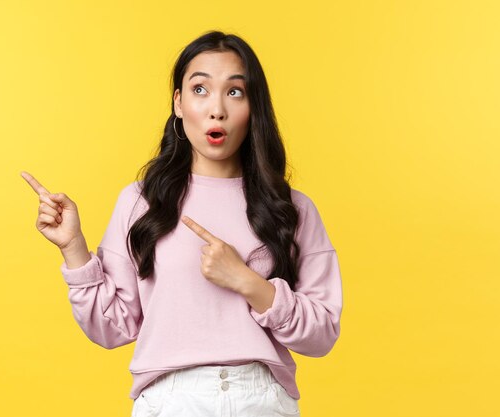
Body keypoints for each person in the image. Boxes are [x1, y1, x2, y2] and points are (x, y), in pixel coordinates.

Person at [21, 30, 343, 417]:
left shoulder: (292, 208)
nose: (217, 109)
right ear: (178, 102)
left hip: (262, 399)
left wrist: (248, 282)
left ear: (254, 106)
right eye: (200, 89)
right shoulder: (141, 202)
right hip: (172, 400)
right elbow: (112, 329)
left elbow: (322, 334)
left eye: (235, 92)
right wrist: (73, 248)